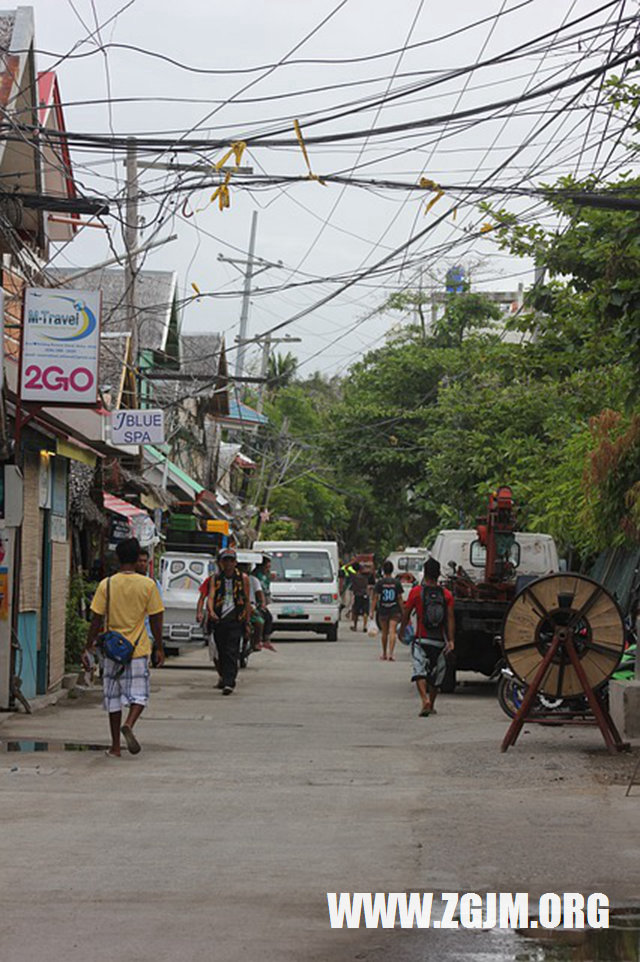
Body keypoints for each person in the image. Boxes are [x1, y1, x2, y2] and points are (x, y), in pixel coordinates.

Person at [84, 537, 165, 757]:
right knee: (139, 695)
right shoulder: (148, 585)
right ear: (138, 558)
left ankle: (115, 746)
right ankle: (130, 723)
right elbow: (157, 618)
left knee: (113, 698)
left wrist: (89, 646)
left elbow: (96, 619)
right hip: (138, 650)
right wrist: (159, 646)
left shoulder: (107, 584)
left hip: (112, 650)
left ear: (118, 558)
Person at [399, 557, 455, 717]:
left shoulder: (416, 592)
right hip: (439, 641)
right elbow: (450, 619)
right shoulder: (446, 595)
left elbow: (406, 613)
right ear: (438, 574)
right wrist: (451, 640)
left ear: (425, 573)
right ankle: (432, 703)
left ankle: (424, 700)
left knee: (420, 670)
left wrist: (402, 630)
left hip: (421, 639)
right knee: (436, 674)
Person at [207, 548, 251, 695]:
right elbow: (211, 596)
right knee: (222, 651)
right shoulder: (216, 578)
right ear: (221, 563)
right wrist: (211, 611)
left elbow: (246, 600)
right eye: (225, 561)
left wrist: (247, 621)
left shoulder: (243, 578)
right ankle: (224, 677)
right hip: (220, 619)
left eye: (231, 561)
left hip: (236, 618)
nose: (228, 564)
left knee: (232, 651)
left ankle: (229, 682)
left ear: (235, 563)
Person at [371, 560, 404, 661]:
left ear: (383, 570)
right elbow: (399, 598)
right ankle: (391, 654)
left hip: (383, 610)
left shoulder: (380, 583)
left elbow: (375, 597)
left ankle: (384, 653)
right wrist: (403, 611)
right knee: (392, 631)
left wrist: (371, 611)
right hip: (394, 610)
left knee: (384, 632)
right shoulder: (397, 583)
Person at [253, 555, 276, 652]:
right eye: (267, 567)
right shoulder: (256, 576)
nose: (268, 569)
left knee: (267, 618)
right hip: (255, 601)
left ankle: (263, 639)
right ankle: (262, 640)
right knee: (266, 618)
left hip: (261, 602)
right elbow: (259, 591)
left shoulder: (266, 575)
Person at [350, 563, 371, 632]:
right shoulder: (366, 576)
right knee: (365, 611)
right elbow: (371, 569)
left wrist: (351, 563)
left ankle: (355, 626)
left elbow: (346, 568)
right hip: (365, 594)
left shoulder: (354, 576)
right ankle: (364, 626)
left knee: (356, 611)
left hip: (357, 595)